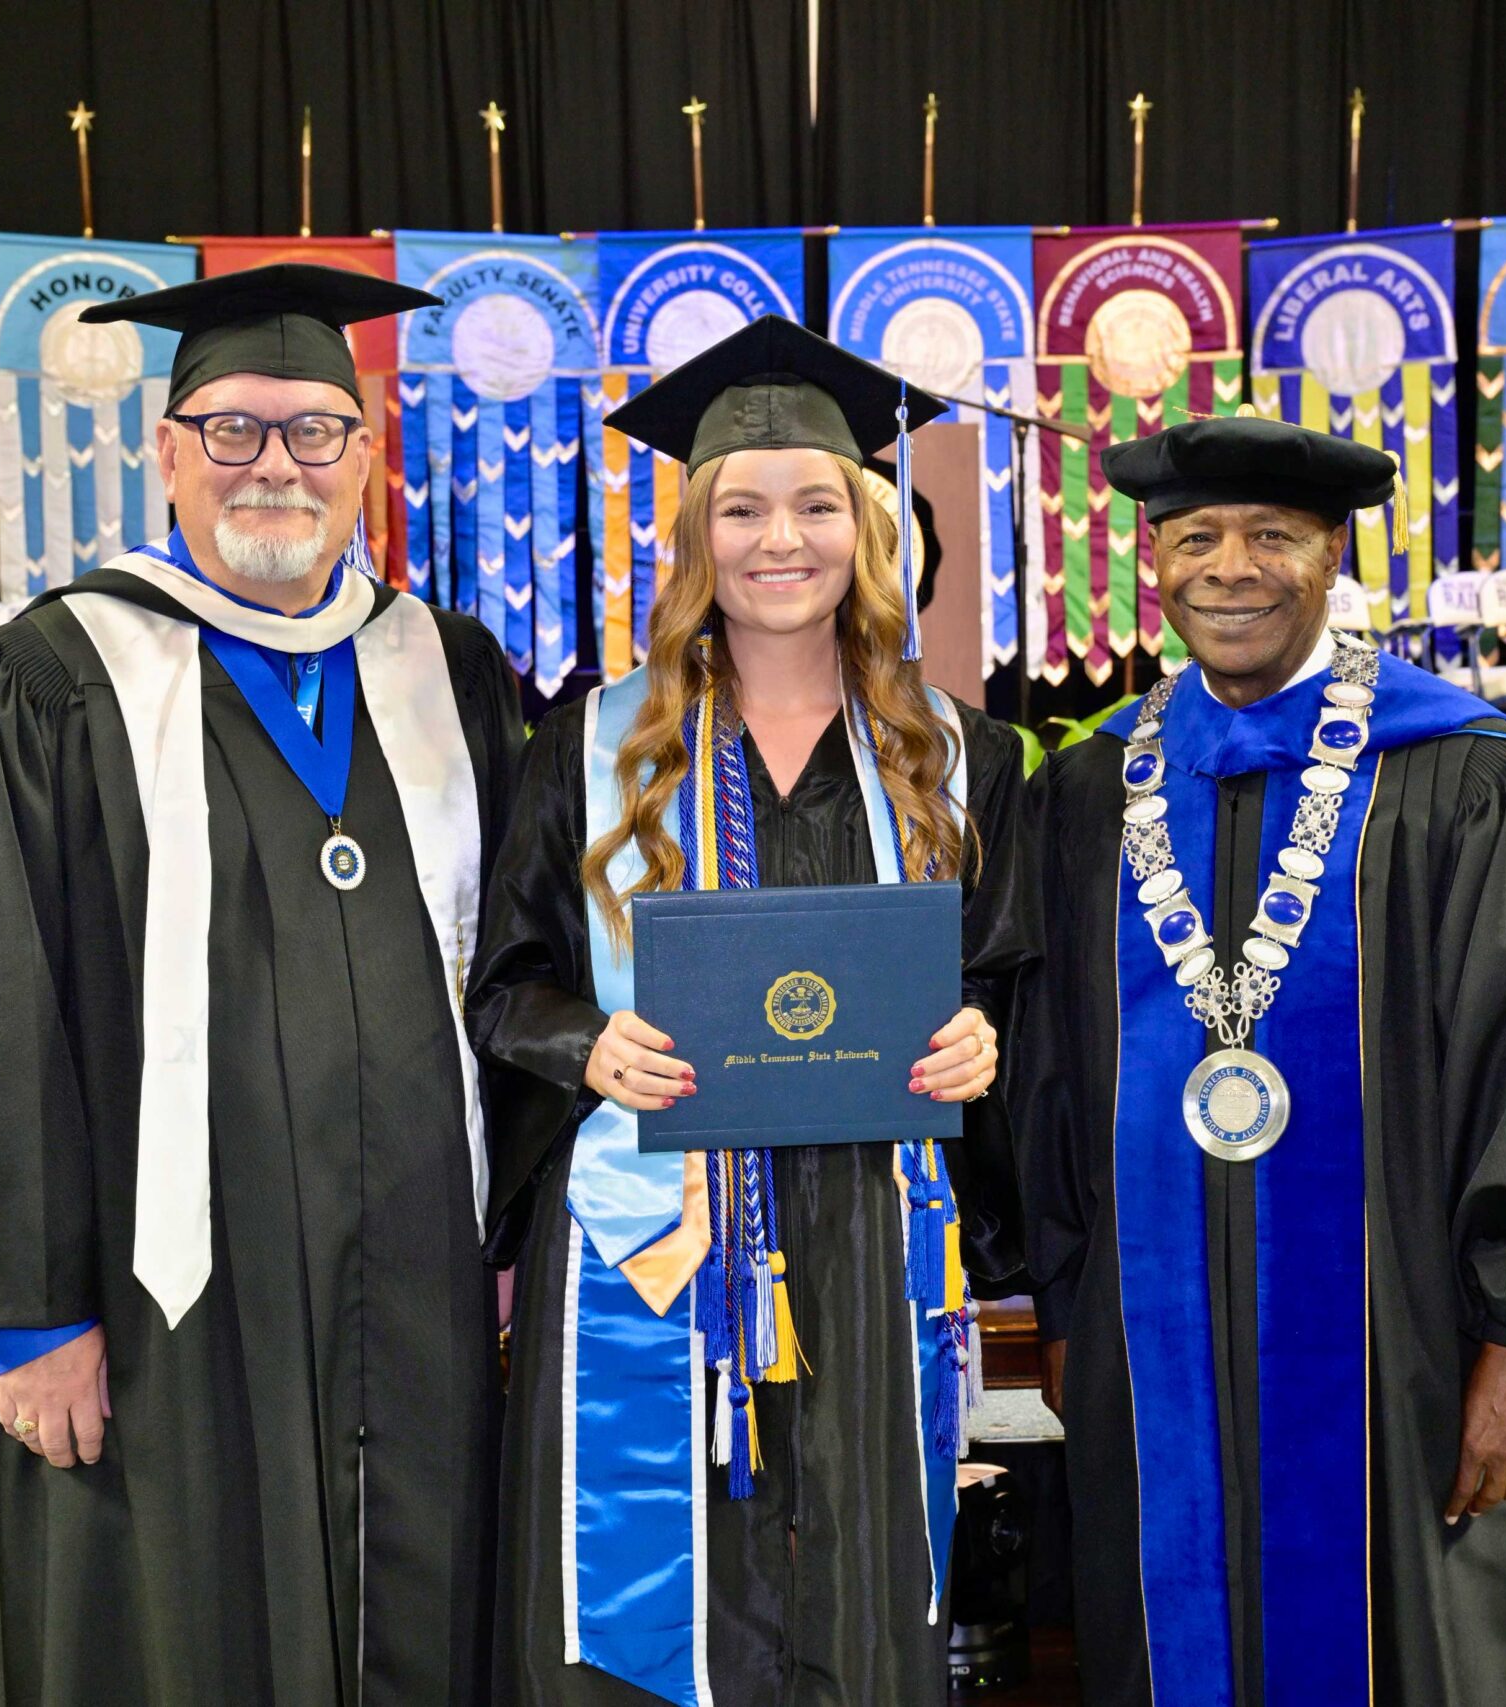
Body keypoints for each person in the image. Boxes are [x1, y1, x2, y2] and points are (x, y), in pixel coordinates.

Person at [0, 264, 521, 1704]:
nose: (275, 464)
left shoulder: (444, 670)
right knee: (180, 1625)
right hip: (161, 1302)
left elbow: (523, 969)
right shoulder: (53, 675)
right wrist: (28, 1318)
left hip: (420, 1274)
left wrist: (515, 1224)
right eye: (232, 430)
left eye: (313, 431)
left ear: (365, 451)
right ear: (164, 452)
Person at [1012, 414, 1506, 1707]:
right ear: (1152, 559)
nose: (1232, 567)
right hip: (1155, 1353)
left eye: (1272, 537)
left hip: (1419, 1359)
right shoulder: (1089, 787)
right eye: (1197, 537)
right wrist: (1066, 1308)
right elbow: (1045, 1070)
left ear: (1331, 554)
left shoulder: (1462, 770)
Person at [469, 316, 1034, 1707]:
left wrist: (984, 1041)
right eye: (741, 507)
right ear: (696, 535)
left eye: (817, 504)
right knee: (653, 1598)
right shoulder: (593, 743)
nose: (780, 539)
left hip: (867, 1230)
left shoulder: (960, 753)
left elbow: (1011, 982)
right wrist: (585, 1044)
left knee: (857, 1577)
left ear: (869, 525)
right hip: (653, 1228)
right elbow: (504, 984)